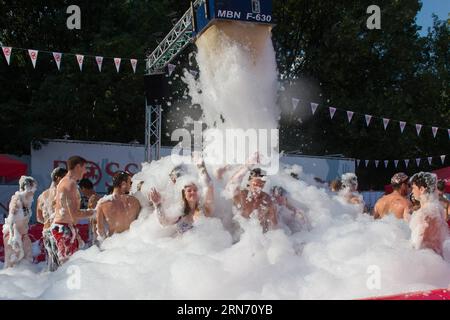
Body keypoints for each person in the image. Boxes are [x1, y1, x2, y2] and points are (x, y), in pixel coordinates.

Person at [149, 153, 214, 234]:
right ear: (184, 194)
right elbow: (164, 222)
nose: (192, 192)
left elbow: (208, 186)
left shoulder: (206, 210)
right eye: (189, 190)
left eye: (195, 190)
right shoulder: (180, 213)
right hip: (182, 245)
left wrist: (201, 167)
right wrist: (158, 205)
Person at [52, 156, 96, 265]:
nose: (85, 171)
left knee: (67, 268)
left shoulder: (66, 182)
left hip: (64, 228)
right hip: (64, 229)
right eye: (84, 167)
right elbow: (75, 214)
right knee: (66, 269)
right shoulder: (69, 184)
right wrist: (95, 212)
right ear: (77, 167)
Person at [225, 153, 277, 233]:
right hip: (239, 236)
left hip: (257, 238)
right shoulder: (242, 195)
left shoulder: (267, 200)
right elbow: (230, 185)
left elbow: (274, 226)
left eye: (261, 185)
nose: (258, 188)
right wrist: (248, 165)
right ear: (249, 183)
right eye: (255, 184)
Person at [407, 172, 447, 256]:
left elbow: (419, 243)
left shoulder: (426, 212)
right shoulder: (436, 207)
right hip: (436, 259)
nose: (412, 191)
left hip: (428, 262)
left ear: (421, 189)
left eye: (413, 188)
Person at [36, 167, 67, 271]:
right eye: (65, 177)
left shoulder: (42, 196)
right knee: (62, 263)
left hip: (46, 231)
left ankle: (50, 284)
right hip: (58, 231)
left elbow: (39, 218)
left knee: (51, 261)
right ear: (58, 178)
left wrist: (47, 221)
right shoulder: (63, 194)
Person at [3, 176, 37, 268]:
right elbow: (11, 220)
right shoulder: (17, 199)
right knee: (11, 266)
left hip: (23, 235)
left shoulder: (28, 201)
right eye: (33, 188)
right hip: (13, 235)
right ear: (27, 187)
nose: (34, 190)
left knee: (28, 262)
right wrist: (13, 239)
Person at [96, 171, 141, 240]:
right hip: (132, 243)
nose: (131, 186)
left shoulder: (103, 204)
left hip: (113, 245)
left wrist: (105, 244)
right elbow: (141, 223)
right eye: (130, 183)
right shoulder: (135, 202)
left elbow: (100, 230)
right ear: (123, 184)